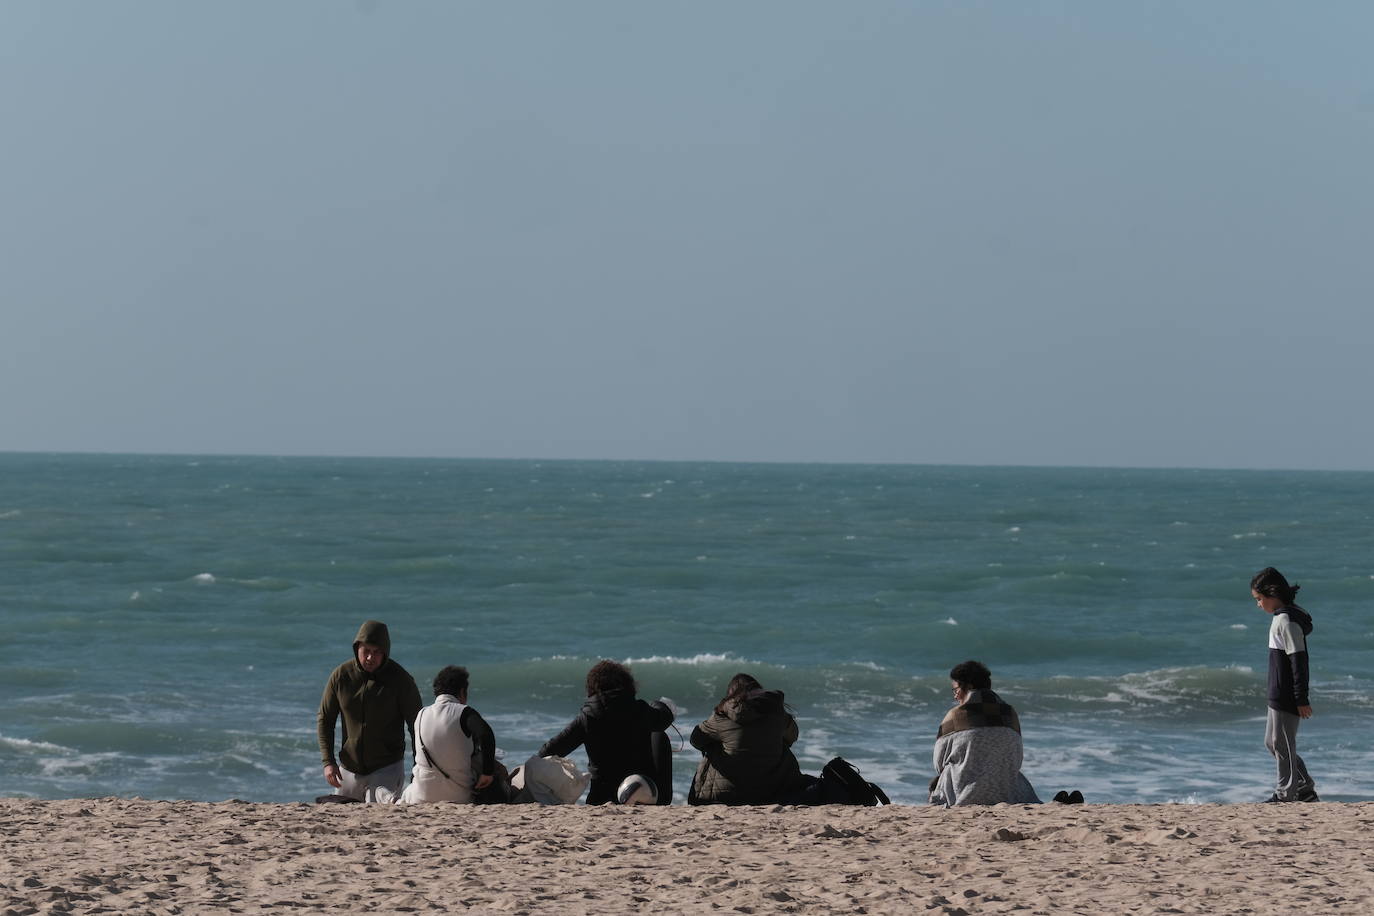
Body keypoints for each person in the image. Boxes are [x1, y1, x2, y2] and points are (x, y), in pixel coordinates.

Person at [537, 660, 674, 804]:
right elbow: (665, 718)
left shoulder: (588, 717)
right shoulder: (640, 709)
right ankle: (663, 800)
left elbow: (549, 751)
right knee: (659, 735)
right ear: (627, 684)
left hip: (601, 797)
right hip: (640, 794)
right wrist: (657, 704)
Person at [317, 620, 423, 801]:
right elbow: (325, 719)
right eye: (366, 651)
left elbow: (418, 727)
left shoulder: (401, 680)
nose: (370, 658)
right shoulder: (341, 676)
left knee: (380, 822)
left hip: (386, 768)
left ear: (385, 653)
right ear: (357, 648)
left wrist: (418, 768)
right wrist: (328, 762)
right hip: (348, 770)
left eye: (376, 652)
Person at [928, 660, 1040, 807]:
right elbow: (1017, 759)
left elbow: (938, 764)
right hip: (1006, 793)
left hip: (963, 794)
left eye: (955, 690)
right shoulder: (1010, 713)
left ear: (968, 686)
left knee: (945, 773)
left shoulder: (955, 716)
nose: (955, 696)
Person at [1251, 567, 1318, 802]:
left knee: (1283, 745)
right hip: (1276, 691)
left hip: (1288, 693)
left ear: (1273, 594)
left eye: (1259, 599)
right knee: (1272, 743)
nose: (1258, 604)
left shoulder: (1287, 621)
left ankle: (1285, 795)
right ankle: (1305, 788)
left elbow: (1299, 660)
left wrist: (1301, 698)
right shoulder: (1280, 617)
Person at [687, 673, 807, 805]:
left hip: (728, 795)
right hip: (772, 790)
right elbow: (793, 736)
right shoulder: (778, 715)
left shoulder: (722, 716)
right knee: (779, 741)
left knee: (713, 744)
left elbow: (696, 740)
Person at [397, 665, 498, 804]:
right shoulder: (464, 712)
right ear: (462, 691)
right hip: (459, 797)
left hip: (421, 796)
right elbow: (485, 734)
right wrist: (487, 772)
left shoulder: (421, 715)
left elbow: (417, 754)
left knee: (401, 794)